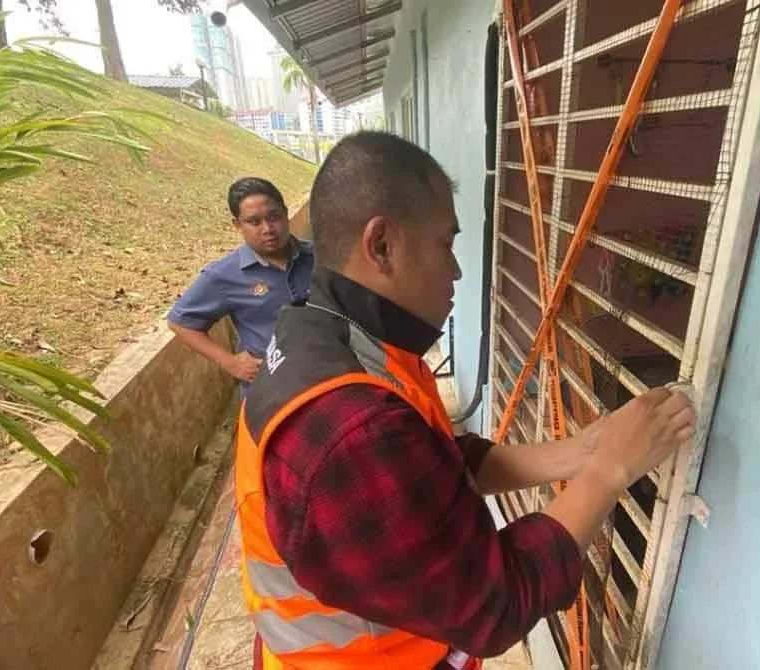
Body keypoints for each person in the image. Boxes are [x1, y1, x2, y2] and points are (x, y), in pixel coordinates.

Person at [234, 132, 695, 669]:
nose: (455, 273)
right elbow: (492, 606)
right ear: (380, 245)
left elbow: (429, 463)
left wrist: (580, 452)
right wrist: (611, 471)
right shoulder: (350, 427)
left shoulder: (326, 334)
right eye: (445, 245)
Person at [168, 178, 314, 393]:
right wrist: (230, 362)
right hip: (270, 390)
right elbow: (180, 322)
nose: (267, 229)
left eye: (274, 217)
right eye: (254, 222)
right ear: (238, 225)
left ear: (285, 212)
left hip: (326, 376)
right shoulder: (224, 275)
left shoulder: (320, 257)